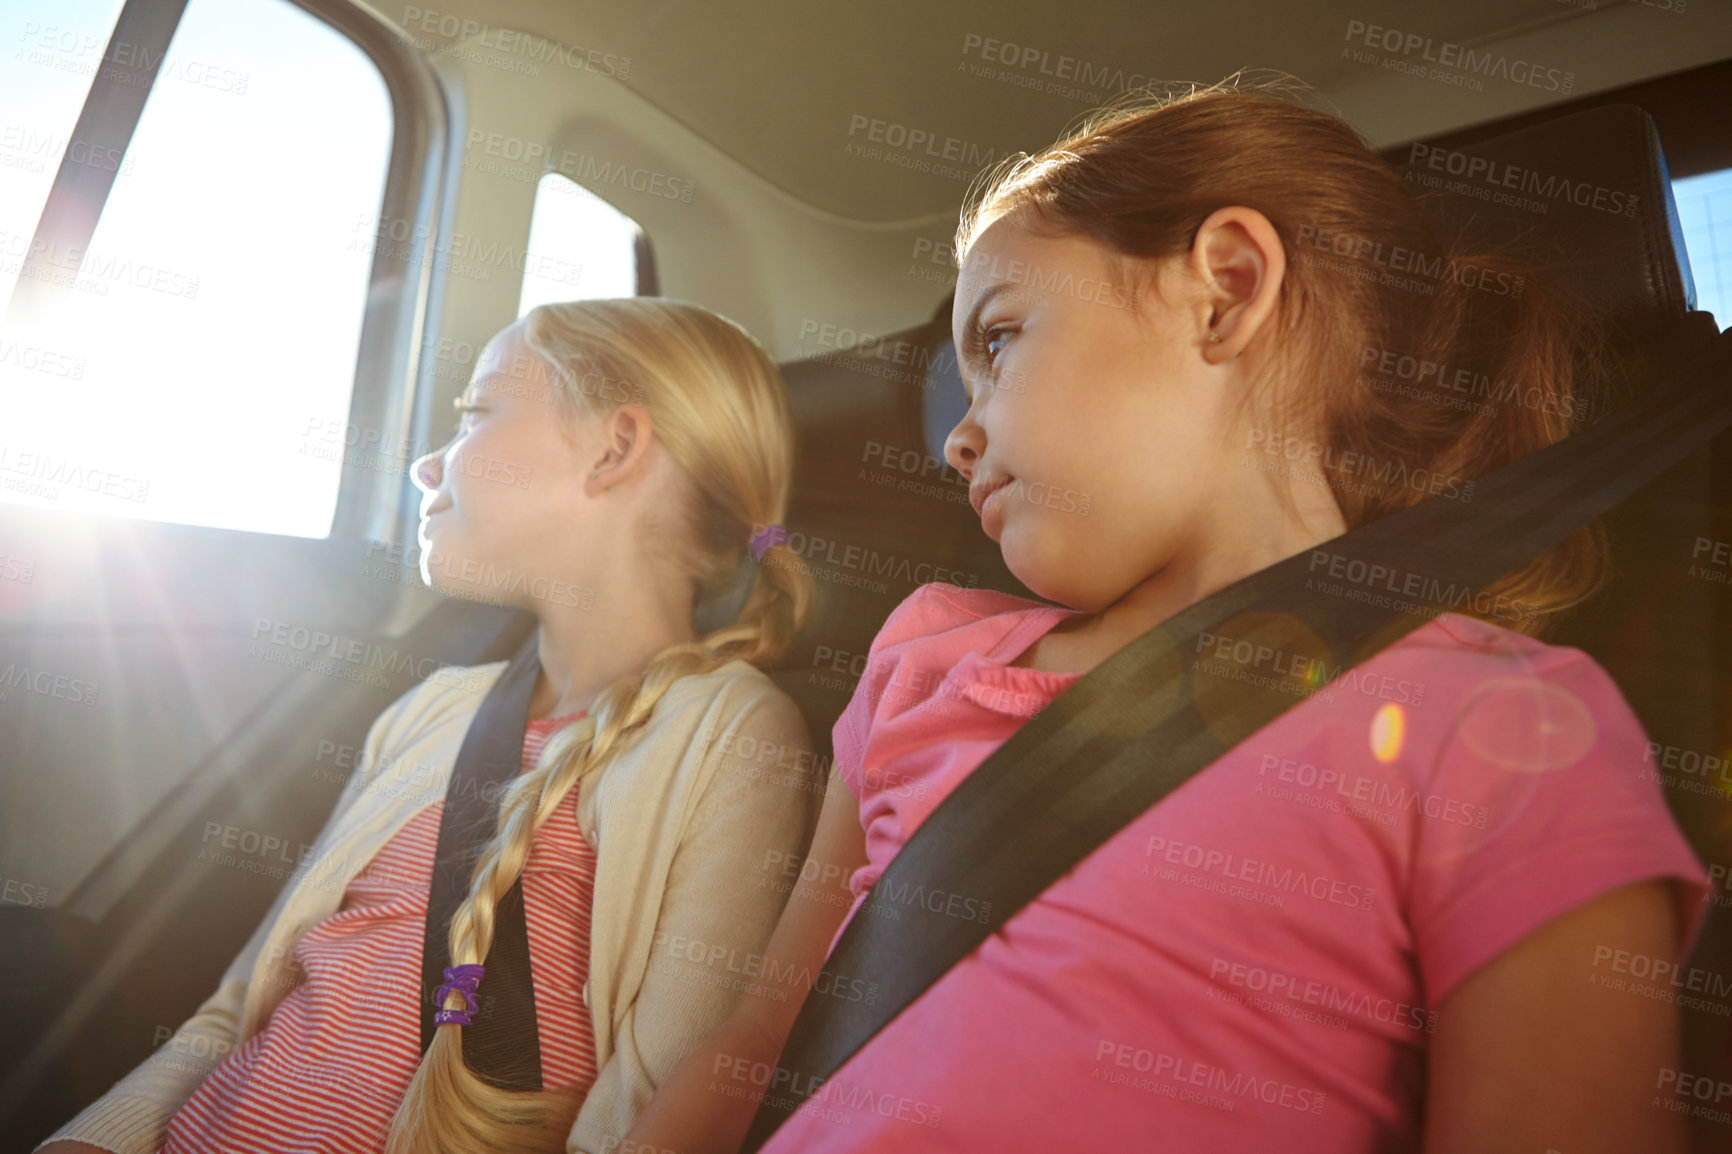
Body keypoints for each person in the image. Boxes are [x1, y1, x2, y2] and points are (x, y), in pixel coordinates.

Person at [617, 78, 1713, 1154]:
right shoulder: (925, 650)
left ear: (1225, 291)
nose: (957, 436)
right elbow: (758, 1042)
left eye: (996, 342)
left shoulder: (1504, 723)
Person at [36, 298, 824, 1154]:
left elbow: (654, 1105)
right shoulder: (433, 708)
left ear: (614, 449)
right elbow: (236, 1013)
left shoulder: (732, 737)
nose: (423, 465)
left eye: (476, 413)